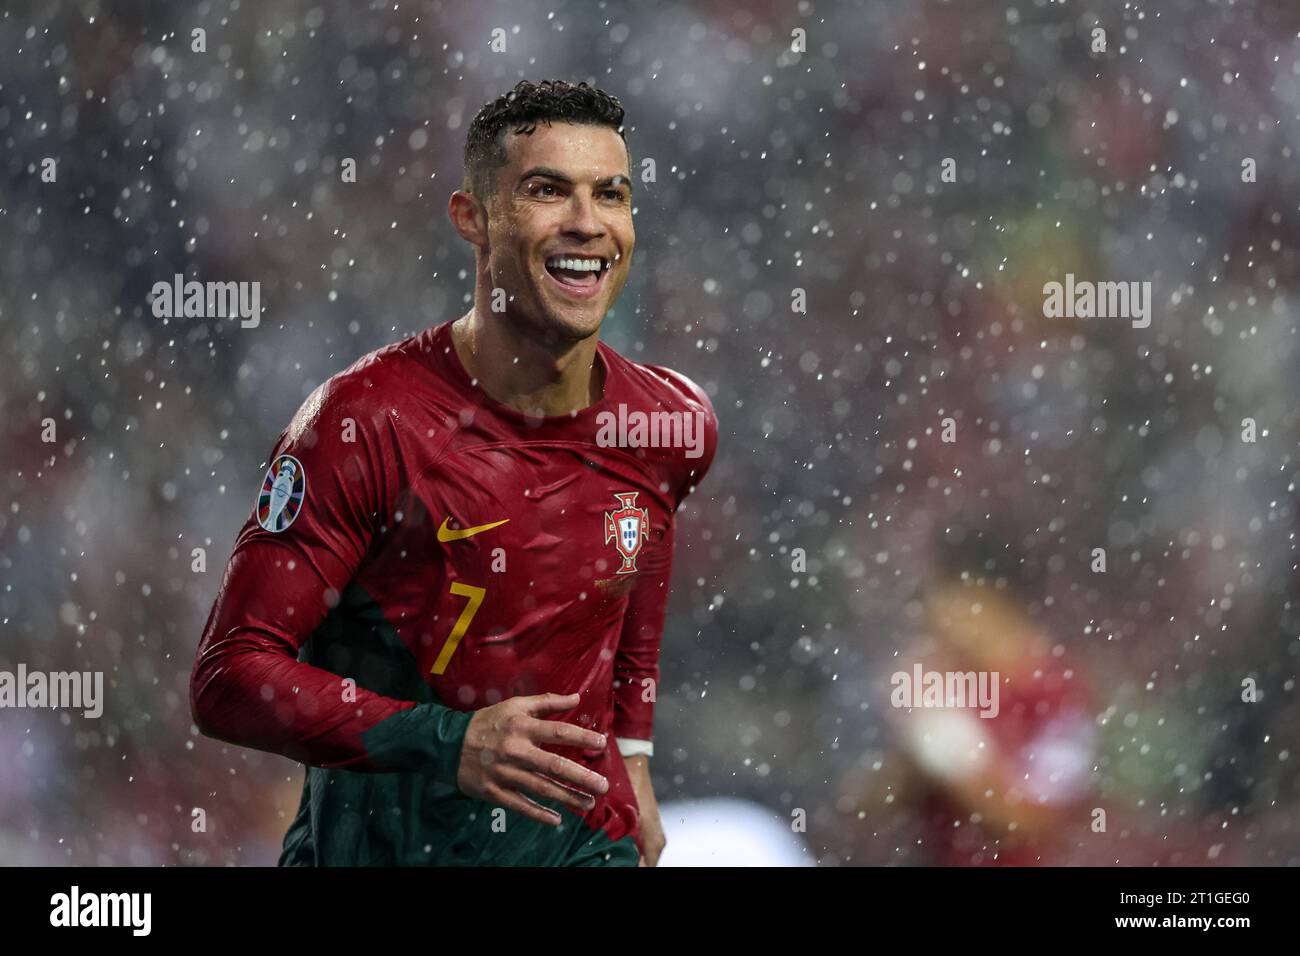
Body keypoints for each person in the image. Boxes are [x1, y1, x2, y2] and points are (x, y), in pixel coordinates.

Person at [190, 79, 717, 866]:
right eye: (547, 190)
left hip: (583, 847)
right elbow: (229, 678)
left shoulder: (672, 423)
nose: (588, 222)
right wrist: (447, 740)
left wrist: (633, 752)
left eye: (611, 194)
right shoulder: (363, 423)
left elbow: (641, 553)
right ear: (472, 217)